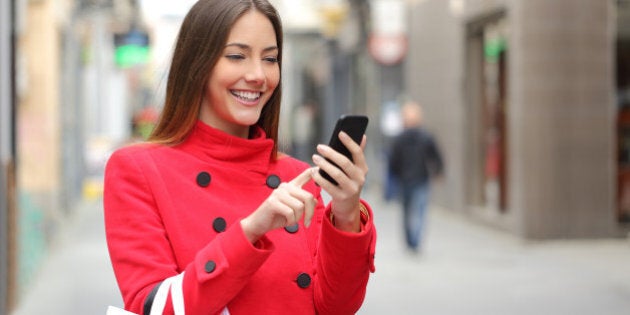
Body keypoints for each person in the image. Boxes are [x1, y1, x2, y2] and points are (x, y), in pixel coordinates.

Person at [103, 1, 376, 314]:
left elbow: (336, 307)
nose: (258, 75)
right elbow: (152, 307)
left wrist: (345, 213)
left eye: (270, 59)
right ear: (197, 64)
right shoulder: (136, 169)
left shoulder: (297, 178)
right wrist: (251, 230)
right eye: (236, 56)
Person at [388, 100, 443, 254]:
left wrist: (395, 175)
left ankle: (411, 240)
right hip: (420, 178)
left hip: (406, 179)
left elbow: (393, 161)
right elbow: (436, 156)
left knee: (407, 211)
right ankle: (415, 241)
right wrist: (438, 171)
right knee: (419, 211)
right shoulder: (425, 136)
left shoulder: (399, 138)